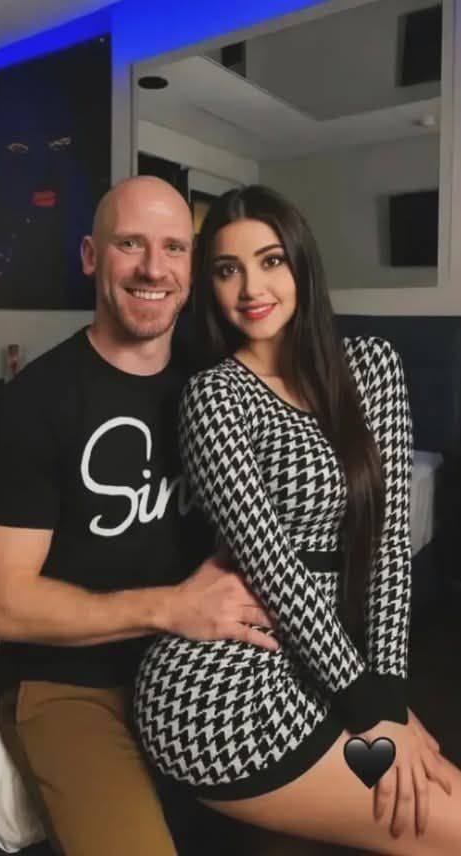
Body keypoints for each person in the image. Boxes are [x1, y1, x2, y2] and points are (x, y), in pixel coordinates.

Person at [134, 184, 461, 855]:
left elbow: (388, 545)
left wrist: (386, 694)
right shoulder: (214, 396)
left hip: (322, 662)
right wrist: (370, 706)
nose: (251, 288)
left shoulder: (371, 366)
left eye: (271, 260)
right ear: (209, 287)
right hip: (218, 690)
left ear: (301, 265)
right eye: (227, 270)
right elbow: (272, 568)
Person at [0, 176, 280, 856]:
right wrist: (171, 607)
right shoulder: (32, 404)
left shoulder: (219, 381)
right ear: (90, 256)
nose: (153, 268)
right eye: (129, 245)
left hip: (194, 665)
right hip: (70, 685)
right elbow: (2, 605)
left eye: (174, 248)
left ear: (191, 268)